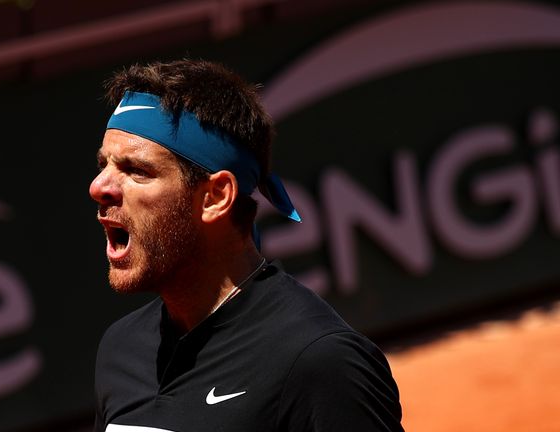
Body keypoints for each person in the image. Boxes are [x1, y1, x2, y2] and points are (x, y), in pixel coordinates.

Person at [89, 58, 404, 432]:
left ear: (216, 197)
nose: (99, 187)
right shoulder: (121, 349)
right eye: (104, 165)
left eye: (136, 170)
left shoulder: (319, 363)